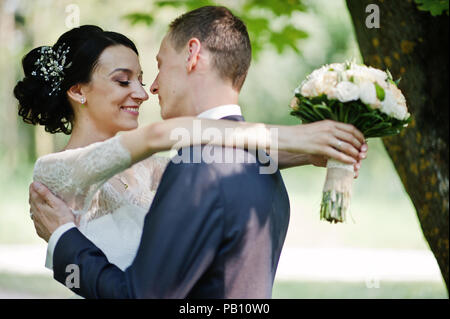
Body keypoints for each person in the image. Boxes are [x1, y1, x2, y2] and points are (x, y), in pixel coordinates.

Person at [28, 7, 368, 298]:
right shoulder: (56, 172)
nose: (145, 93)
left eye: (143, 79)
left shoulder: (156, 170)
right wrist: (293, 137)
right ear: (77, 91)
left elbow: (216, 160)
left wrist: (313, 152)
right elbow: (166, 136)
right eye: (123, 81)